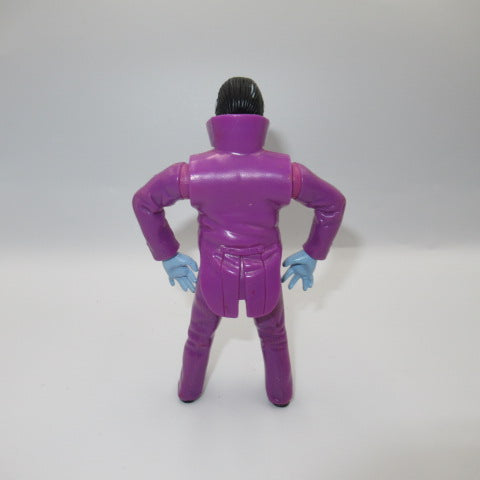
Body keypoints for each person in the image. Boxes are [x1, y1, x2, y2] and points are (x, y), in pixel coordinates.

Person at [132, 77, 346, 406]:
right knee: (274, 336)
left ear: (217, 117)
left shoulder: (192, 172)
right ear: (261, 118)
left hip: (215, 273)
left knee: (199, 336)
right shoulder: (286, 172)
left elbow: (144, 203)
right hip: (265, 271)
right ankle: (280, 393)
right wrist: (312, 252)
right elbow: (332, 203)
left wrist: (169, 255)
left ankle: (189, 390)